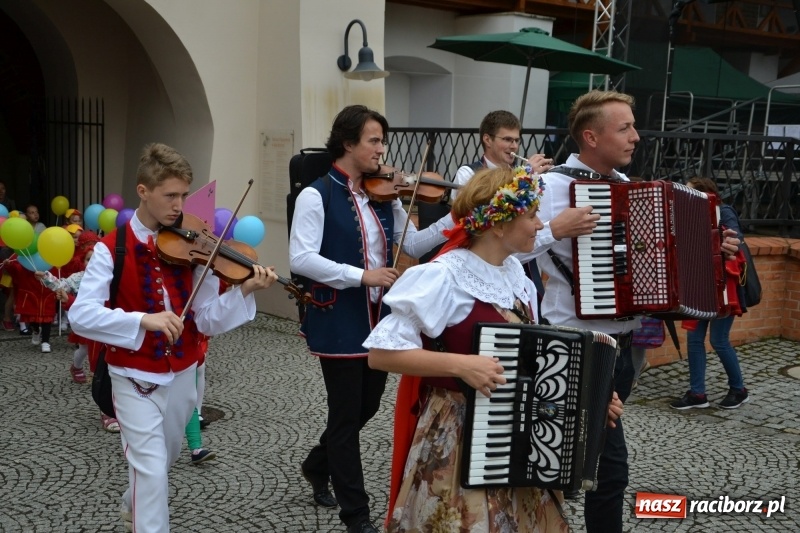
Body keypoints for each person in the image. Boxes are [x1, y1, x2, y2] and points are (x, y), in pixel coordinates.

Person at [364, 165, 622, 531]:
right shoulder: (443, 275)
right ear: (499, 225)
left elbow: (535, 362)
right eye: (532, 215)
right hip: (456, 433)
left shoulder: (516, 275)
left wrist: (591, 401)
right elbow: (381, 355)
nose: (539, 225)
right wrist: (462, 366)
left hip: (515, 436)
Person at [69, 142, 279, 532]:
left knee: (163, 459)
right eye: (170, 195)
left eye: (183, 195)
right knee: (150, 468)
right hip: (133, 376)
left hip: (184, 373)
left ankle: (133, 502)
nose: (179, 206)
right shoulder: (110, 249)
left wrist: (245, 290)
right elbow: (81, 316)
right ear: (143, 191)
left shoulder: (192, 247)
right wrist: (142, 320)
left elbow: (208, 320)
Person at [289, 104, 451, 533]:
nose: (382, 150)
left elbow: (415, 242)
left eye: (383, 140)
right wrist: (363, 275)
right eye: (374, 140)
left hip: (379, 318)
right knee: (345, 417)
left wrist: (458, 215)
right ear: (348, 143)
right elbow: (301, 257)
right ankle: (356, 515)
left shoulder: (384, 195)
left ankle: (315, 462)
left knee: (366, 407)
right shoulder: (315, 194)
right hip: (339, 317)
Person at [670, 177, 749, 410]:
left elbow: (737, 239)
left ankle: (739, 389)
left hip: (724, 286)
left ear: (704, 194)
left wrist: (723, 239)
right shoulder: (687, 216)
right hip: (697, 284)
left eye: (690, 191)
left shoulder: (723, 211)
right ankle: (697, 394)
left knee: (718, 340)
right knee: (694, 340)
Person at [1, 253, 57, 352]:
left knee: (47, 319)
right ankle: (35, 331)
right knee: (32, 317)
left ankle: (45, 342)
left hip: (47, 293)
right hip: (31, 293)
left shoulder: (51, 257)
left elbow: (59, 273)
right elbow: (16, 269)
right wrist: (9, 265)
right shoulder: (27, 259)